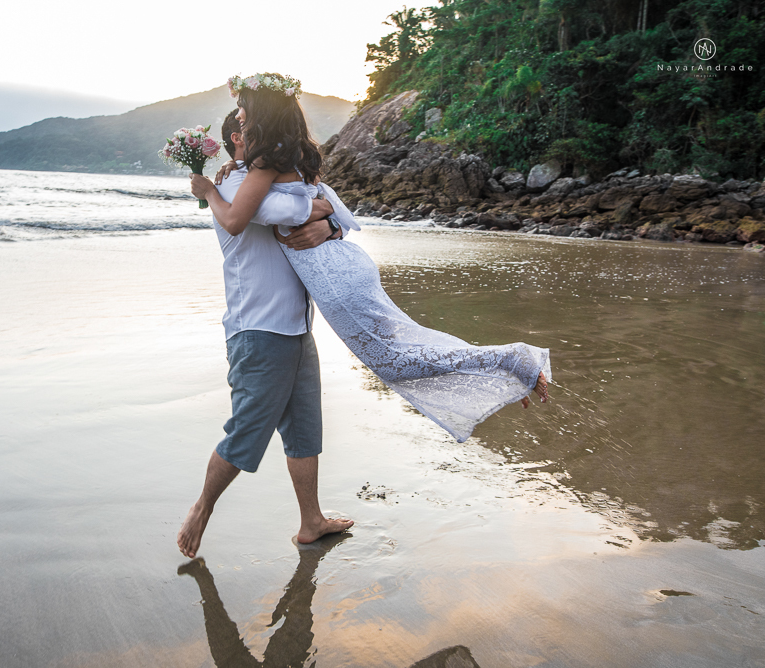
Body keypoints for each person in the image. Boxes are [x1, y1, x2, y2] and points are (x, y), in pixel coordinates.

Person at [190, 72, 551, 446]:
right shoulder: (294, 156)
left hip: (333, 278)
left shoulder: (264, 164)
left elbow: (241, 219)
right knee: (408, 345)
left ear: (259, 113)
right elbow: (340, 215)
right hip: (346, 263)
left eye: (243, 108)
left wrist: (209, 191)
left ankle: (512, 361)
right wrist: (329, 224)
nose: (240, 115)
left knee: (395, 358)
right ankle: (505, 370)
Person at [175, 110, 354, 560]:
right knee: (246, 434)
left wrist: (330, 222)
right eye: (254, 125)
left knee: (304, 429)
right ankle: (201, 510)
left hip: (295, 326)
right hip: (258, 331)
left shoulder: (263, 181)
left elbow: (341, 215)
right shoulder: (234, 186)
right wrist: (323, 208)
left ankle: (311, 522)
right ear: (240, 137)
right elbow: (282, 209)